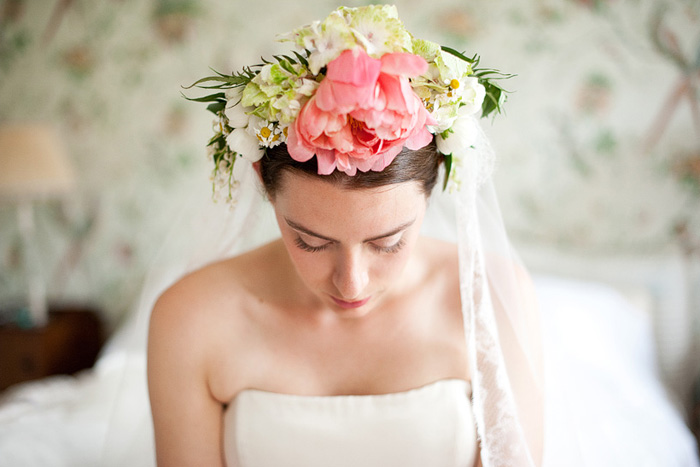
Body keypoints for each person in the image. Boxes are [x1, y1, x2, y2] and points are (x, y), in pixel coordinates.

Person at [146, 5, 543, 467]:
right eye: (311, 241)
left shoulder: (493, 298)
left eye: (387, 242)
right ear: (263, 184)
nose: (351, 284)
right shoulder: (191, 316)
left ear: (433, 186)